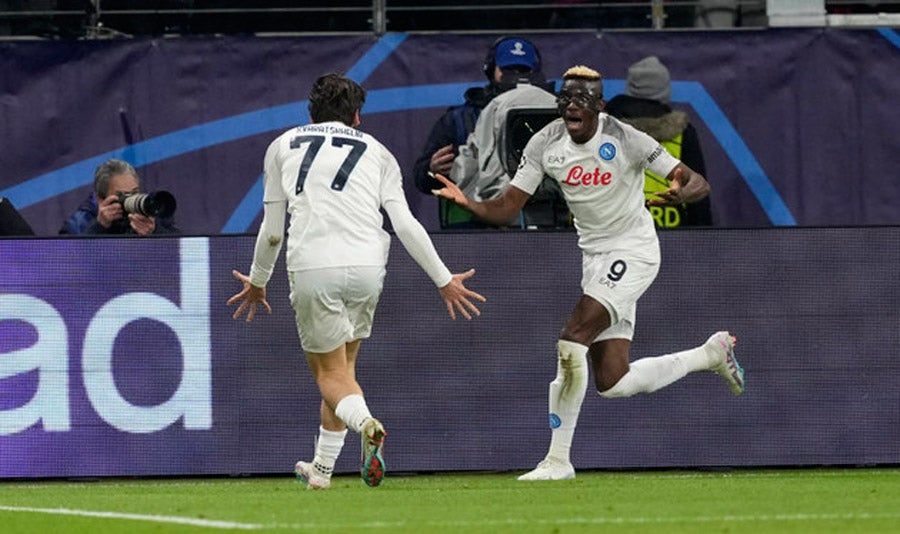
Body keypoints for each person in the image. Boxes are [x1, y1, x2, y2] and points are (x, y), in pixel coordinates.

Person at [433, 65, 744, 481]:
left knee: (571, 338)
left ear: (599, 106)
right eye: (565, 97)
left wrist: (680, 191)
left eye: (581, 99)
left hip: (634, 252)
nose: (570, 105)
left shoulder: (626, 137)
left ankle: (557, 461)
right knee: (613, 381)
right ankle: (709, 354)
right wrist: (470, 203)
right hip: (595, 259)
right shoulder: (544, 142)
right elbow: (508, 208)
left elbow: (696, 182)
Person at [227, 73, 486, 490]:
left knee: (328, 374)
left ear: (310, 112)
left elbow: (273, 230)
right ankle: (322, 471)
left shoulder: (282, 146)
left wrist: (258, 281)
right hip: (368, 265)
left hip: (314, 264)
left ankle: (367, 424)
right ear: (357, 116)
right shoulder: (381, 153)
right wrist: (443, 278)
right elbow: (404, 224)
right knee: (344, 370)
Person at [412, 36, 552, 228]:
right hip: (473, 232)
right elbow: (422, 179)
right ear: (490, 70)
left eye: (523, 70)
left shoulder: (557, 115)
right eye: (508, 70)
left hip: (546, 229)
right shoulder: (460, 119)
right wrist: (432, 169)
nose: (516, 76)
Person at [605, 56, 713, 228]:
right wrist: (704, 237)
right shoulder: (682, 132)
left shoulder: (608, 128)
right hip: (673, 231)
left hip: (617, 227)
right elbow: (697, 194)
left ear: (630, 87)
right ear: (665, 91)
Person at [59, 159, 180, 235]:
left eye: (134, 192)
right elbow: (68, 266)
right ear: (100, 199)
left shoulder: (152, 213)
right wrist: (99, 227)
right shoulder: (78, 224)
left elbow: (183, 256)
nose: (131, 200)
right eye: (122, 196)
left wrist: (155, 233)